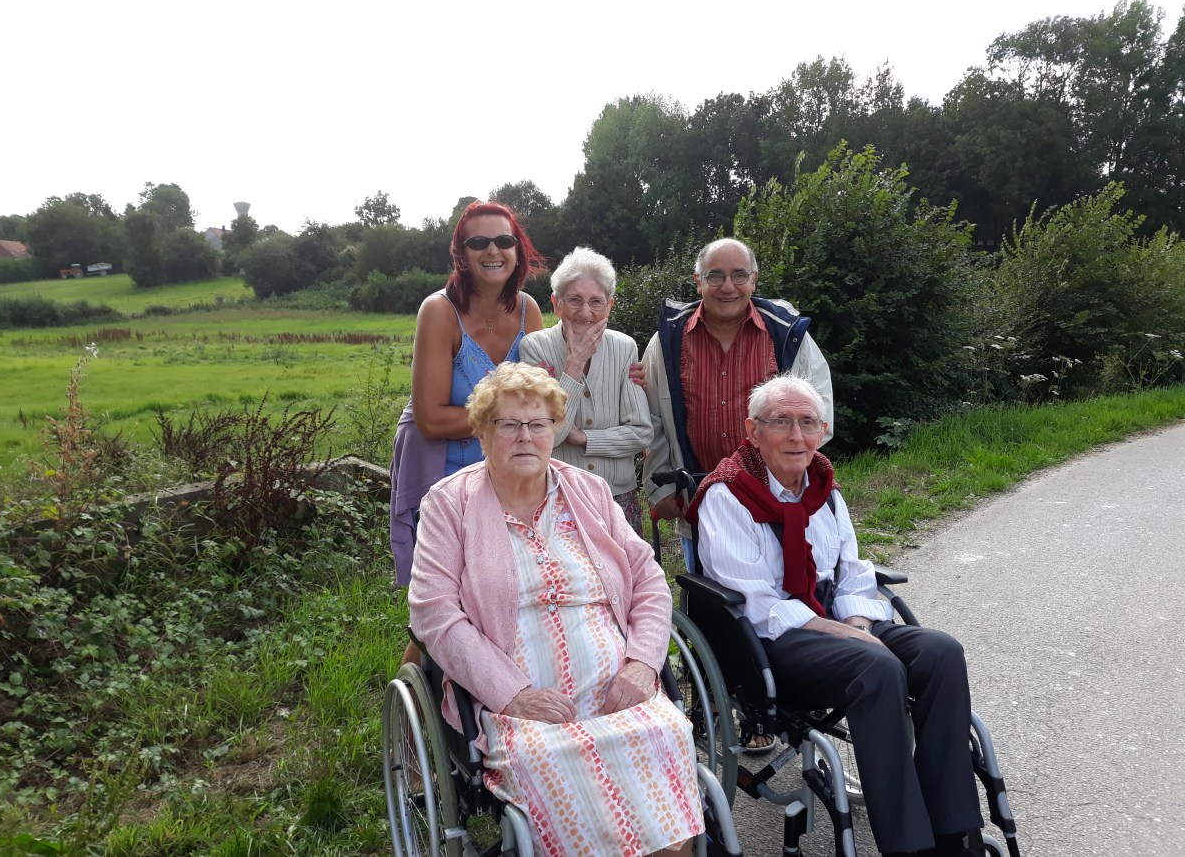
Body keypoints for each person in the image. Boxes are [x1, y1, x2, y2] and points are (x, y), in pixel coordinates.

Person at [409, 362, 703, 856]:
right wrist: (511, 694)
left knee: (665, 733)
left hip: (618, 689)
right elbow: (434, 613)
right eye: (508, 424)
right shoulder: (450, 504)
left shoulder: (587, 491)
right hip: (524, 705)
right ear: (482, 433)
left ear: (554, 431)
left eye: (538, 424)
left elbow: (649, 581)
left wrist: (642, 665)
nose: (525, 436)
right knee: (551, 759)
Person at [687, 374, 987, 857]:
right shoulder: (728, 495)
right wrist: (836, 631)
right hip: (772, 640)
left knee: (940, 652)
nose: (796, 436)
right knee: (878, 667)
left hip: (835, 619)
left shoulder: (824, 489)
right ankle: (909, 845)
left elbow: (851, 570)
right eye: (781, 422)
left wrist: (858, 625)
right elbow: (755, 602)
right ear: (753, 430)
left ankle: (953, 829)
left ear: (822, 430)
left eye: (808, 423)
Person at [642, 237, 833, 567]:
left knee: (781, 603)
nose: (727, 286)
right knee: (711, 609)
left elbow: (820, 415)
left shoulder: (786, 336)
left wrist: (787, 476)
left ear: (754, 280)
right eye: (715, 275)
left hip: (776, 503)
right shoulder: (666, 343)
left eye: (739, 275)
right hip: (699, 506)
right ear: (697, 281)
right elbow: (653, 420)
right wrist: (660, 488)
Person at [389, 200, 544, 587]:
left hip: (506, 469)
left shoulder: (530, 312)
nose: (493, 250)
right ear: (461, 253)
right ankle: (428, 646)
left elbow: (541, 396)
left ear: (517, 251)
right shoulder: (439, 312)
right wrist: (513, 421)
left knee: (503, 586)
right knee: (449, 590)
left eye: (504, 240)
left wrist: (628, 372)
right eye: (479, 242)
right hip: (444, 472)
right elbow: (431, 418)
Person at [519, 246, 652, 534]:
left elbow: (641, 432)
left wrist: (583, 438)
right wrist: (574, 364)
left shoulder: (624, 347)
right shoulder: (534, 348)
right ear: (556, 304)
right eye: (575, 300)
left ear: (610, 306)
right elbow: (546, 437)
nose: (586, 312)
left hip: (617, 495)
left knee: (625, 576)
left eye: (596, 302)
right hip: (557, 495)